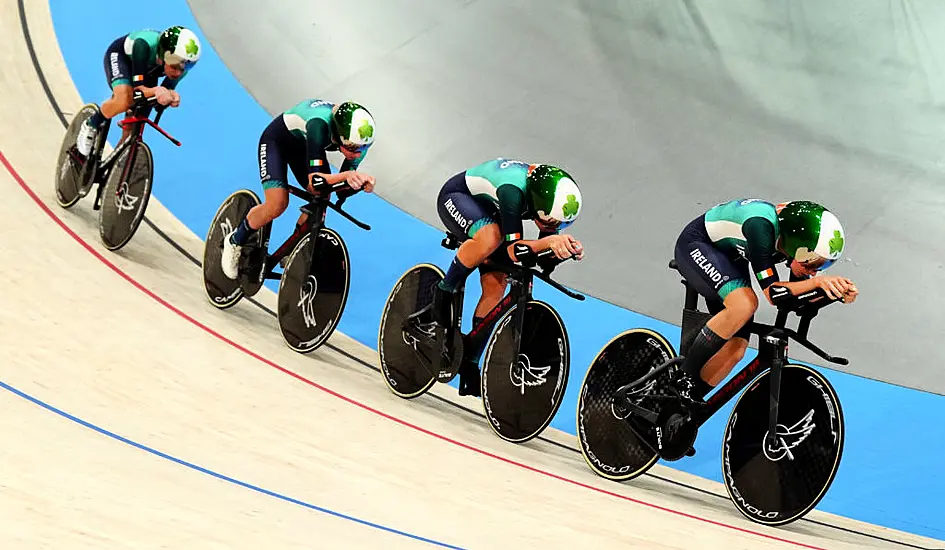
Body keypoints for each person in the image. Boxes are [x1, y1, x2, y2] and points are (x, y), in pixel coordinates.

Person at [671, 199, 858, 405]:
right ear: (797, 245)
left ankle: (681, 404)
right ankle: (683, 379)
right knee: (744, 303)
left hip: (729, 259)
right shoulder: (760, 227)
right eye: (814, 262)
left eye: (823, 265)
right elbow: (774, 293)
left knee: (735, 349)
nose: (815, 271)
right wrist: (819, 282)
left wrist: (834, 294)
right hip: (697, 245)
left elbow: (794, 301)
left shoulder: (791, 246)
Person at [430, 158, 585, 396]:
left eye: (560, 224)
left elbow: (532, 254)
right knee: (490, 238)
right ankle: (444, 289)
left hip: (491, 210)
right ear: (539, 205)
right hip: (457, 197)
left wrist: (560, 251)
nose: (553, 227)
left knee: (496, 286)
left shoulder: (544, 201)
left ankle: (470, 361)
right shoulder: (513, 191)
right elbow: (515, 250)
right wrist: (548, 242)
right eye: (551, 221)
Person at [220, 99, 377, 279]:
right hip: (277, 142)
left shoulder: (358, 141)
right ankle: (235, 240)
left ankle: (293, 250)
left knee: (323, 197)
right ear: (339, 134)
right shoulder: (318, 125)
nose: (357, 154)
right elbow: (315, 182)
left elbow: (341, 190)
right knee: (278, 203)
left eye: (362, 148)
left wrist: (359, 185)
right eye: (352, 148)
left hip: (304, 147)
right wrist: (347, 177)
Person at [76, 26, 201, 156]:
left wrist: (170, 98)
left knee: (135, 125)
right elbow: (138, 89)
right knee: (125, 99)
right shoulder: (144, 45)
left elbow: (161, 97)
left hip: (147, 70)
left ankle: (116, 166)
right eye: (175, 65)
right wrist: (158, 91)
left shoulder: (180, 70)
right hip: (122, 58)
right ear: (164, 53)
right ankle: (91, 124)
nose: (179, 72)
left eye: (187, 66)